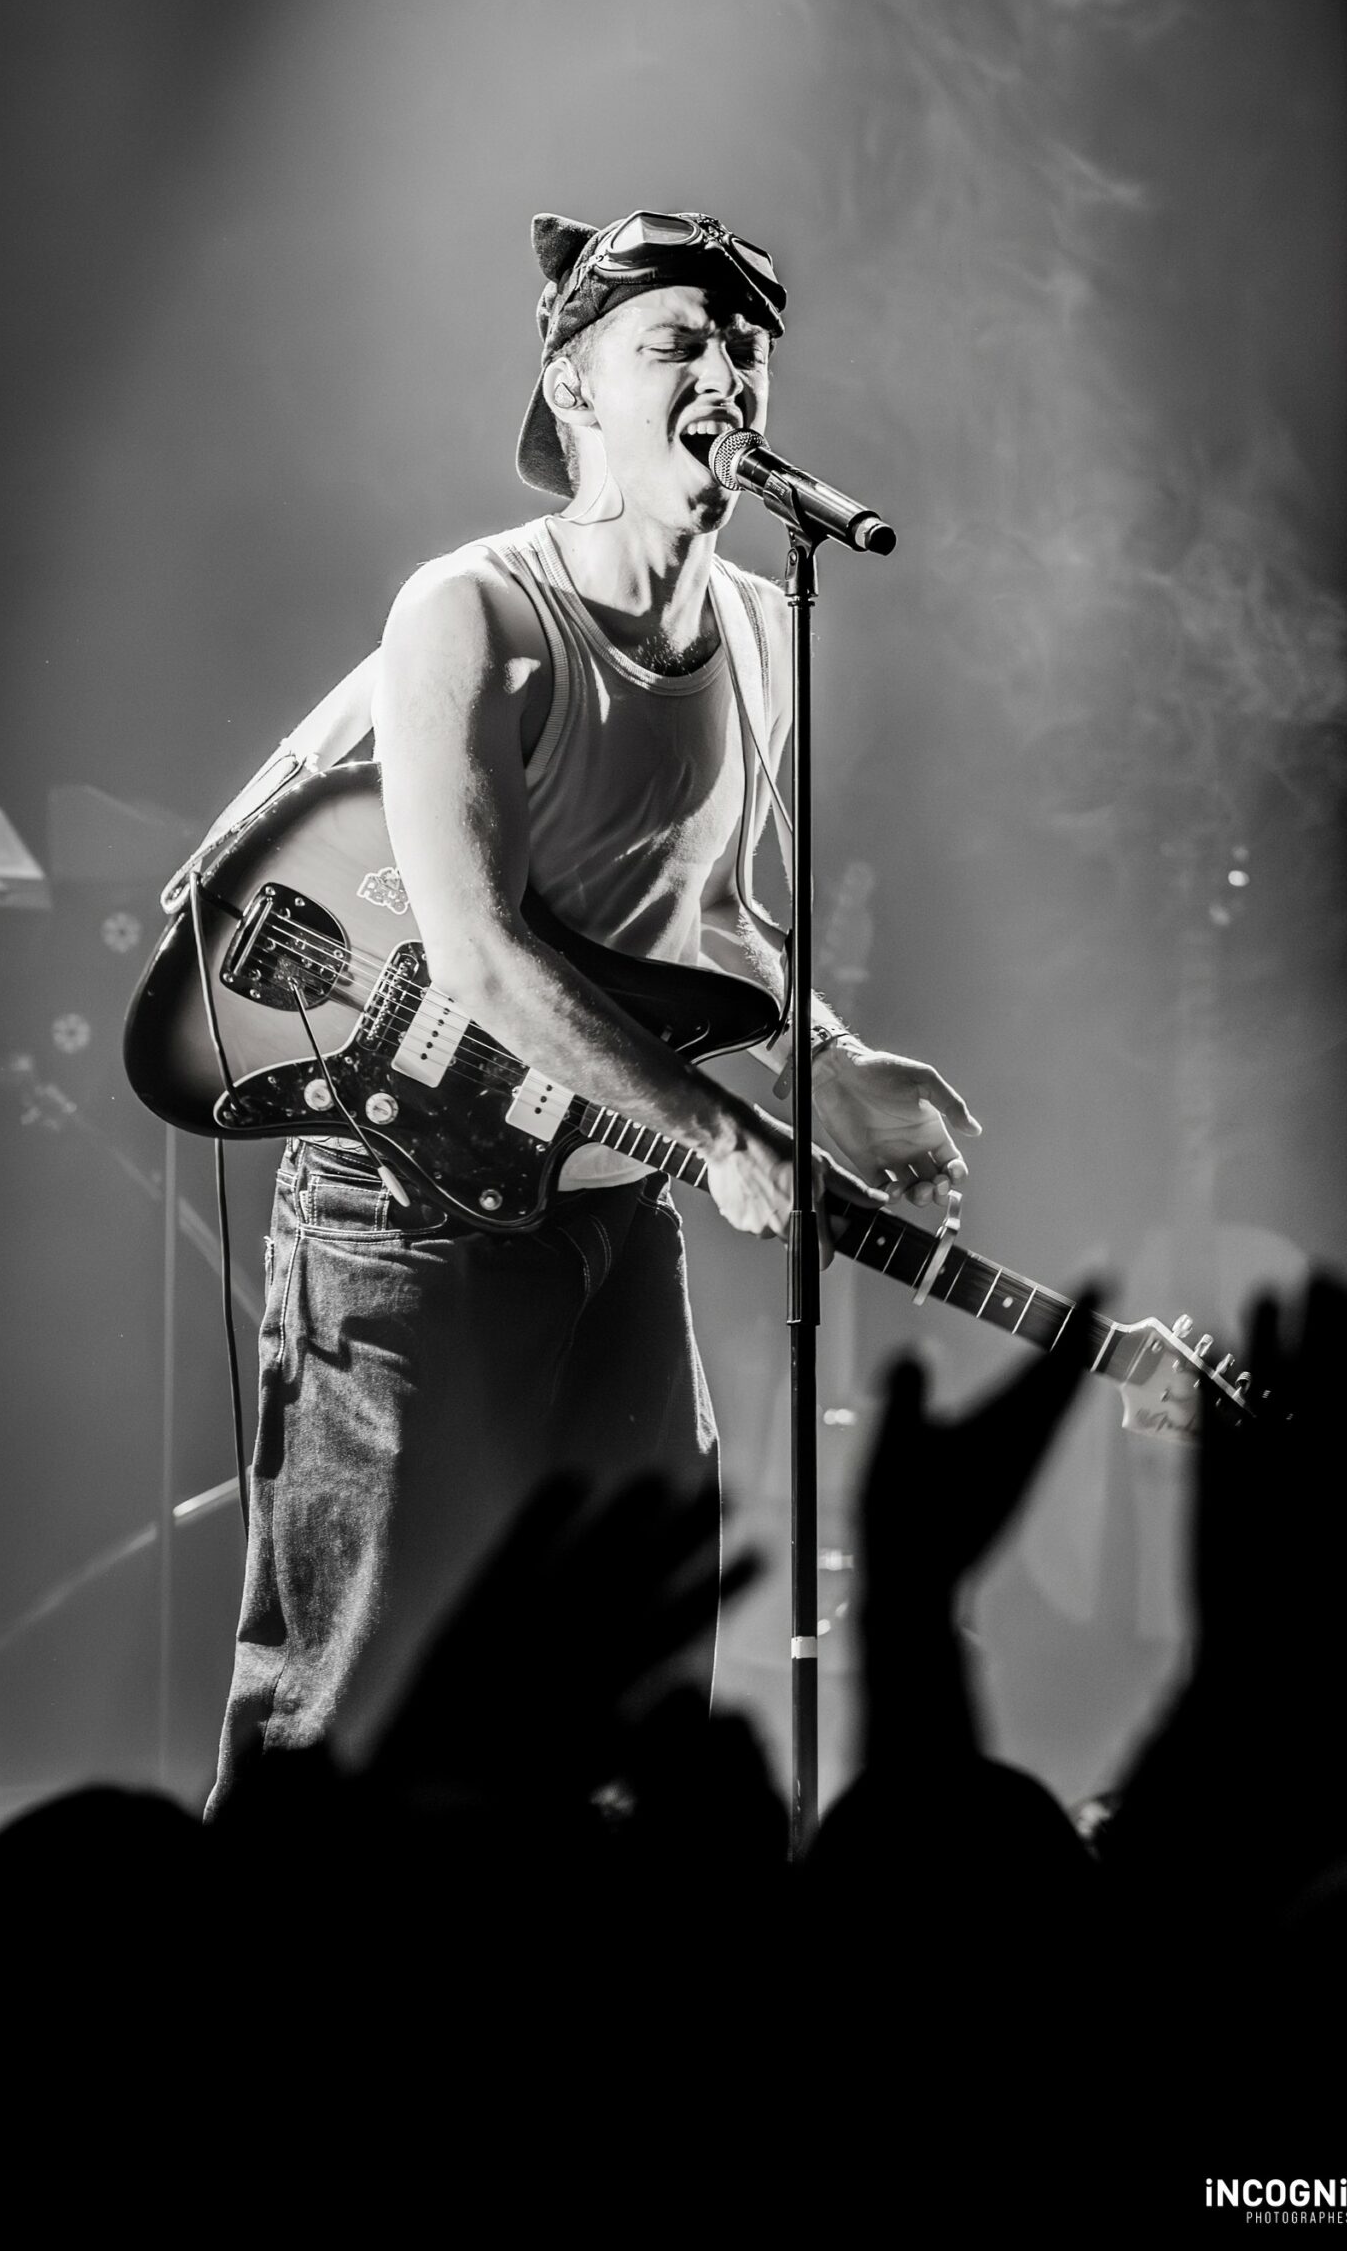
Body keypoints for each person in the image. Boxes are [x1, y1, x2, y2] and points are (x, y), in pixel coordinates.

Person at [210, 208, 980, 1800]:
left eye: (744, 349)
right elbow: (479, 952)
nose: (725, 377)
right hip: (405, 1220)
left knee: (626, 1707)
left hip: (611, 1208)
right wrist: (728, 1134)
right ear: (574, 391)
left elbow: (723, 919)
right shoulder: (474, 612)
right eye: (674, 345)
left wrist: (832, 1066)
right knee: (354, 1724)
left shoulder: (759, 626)